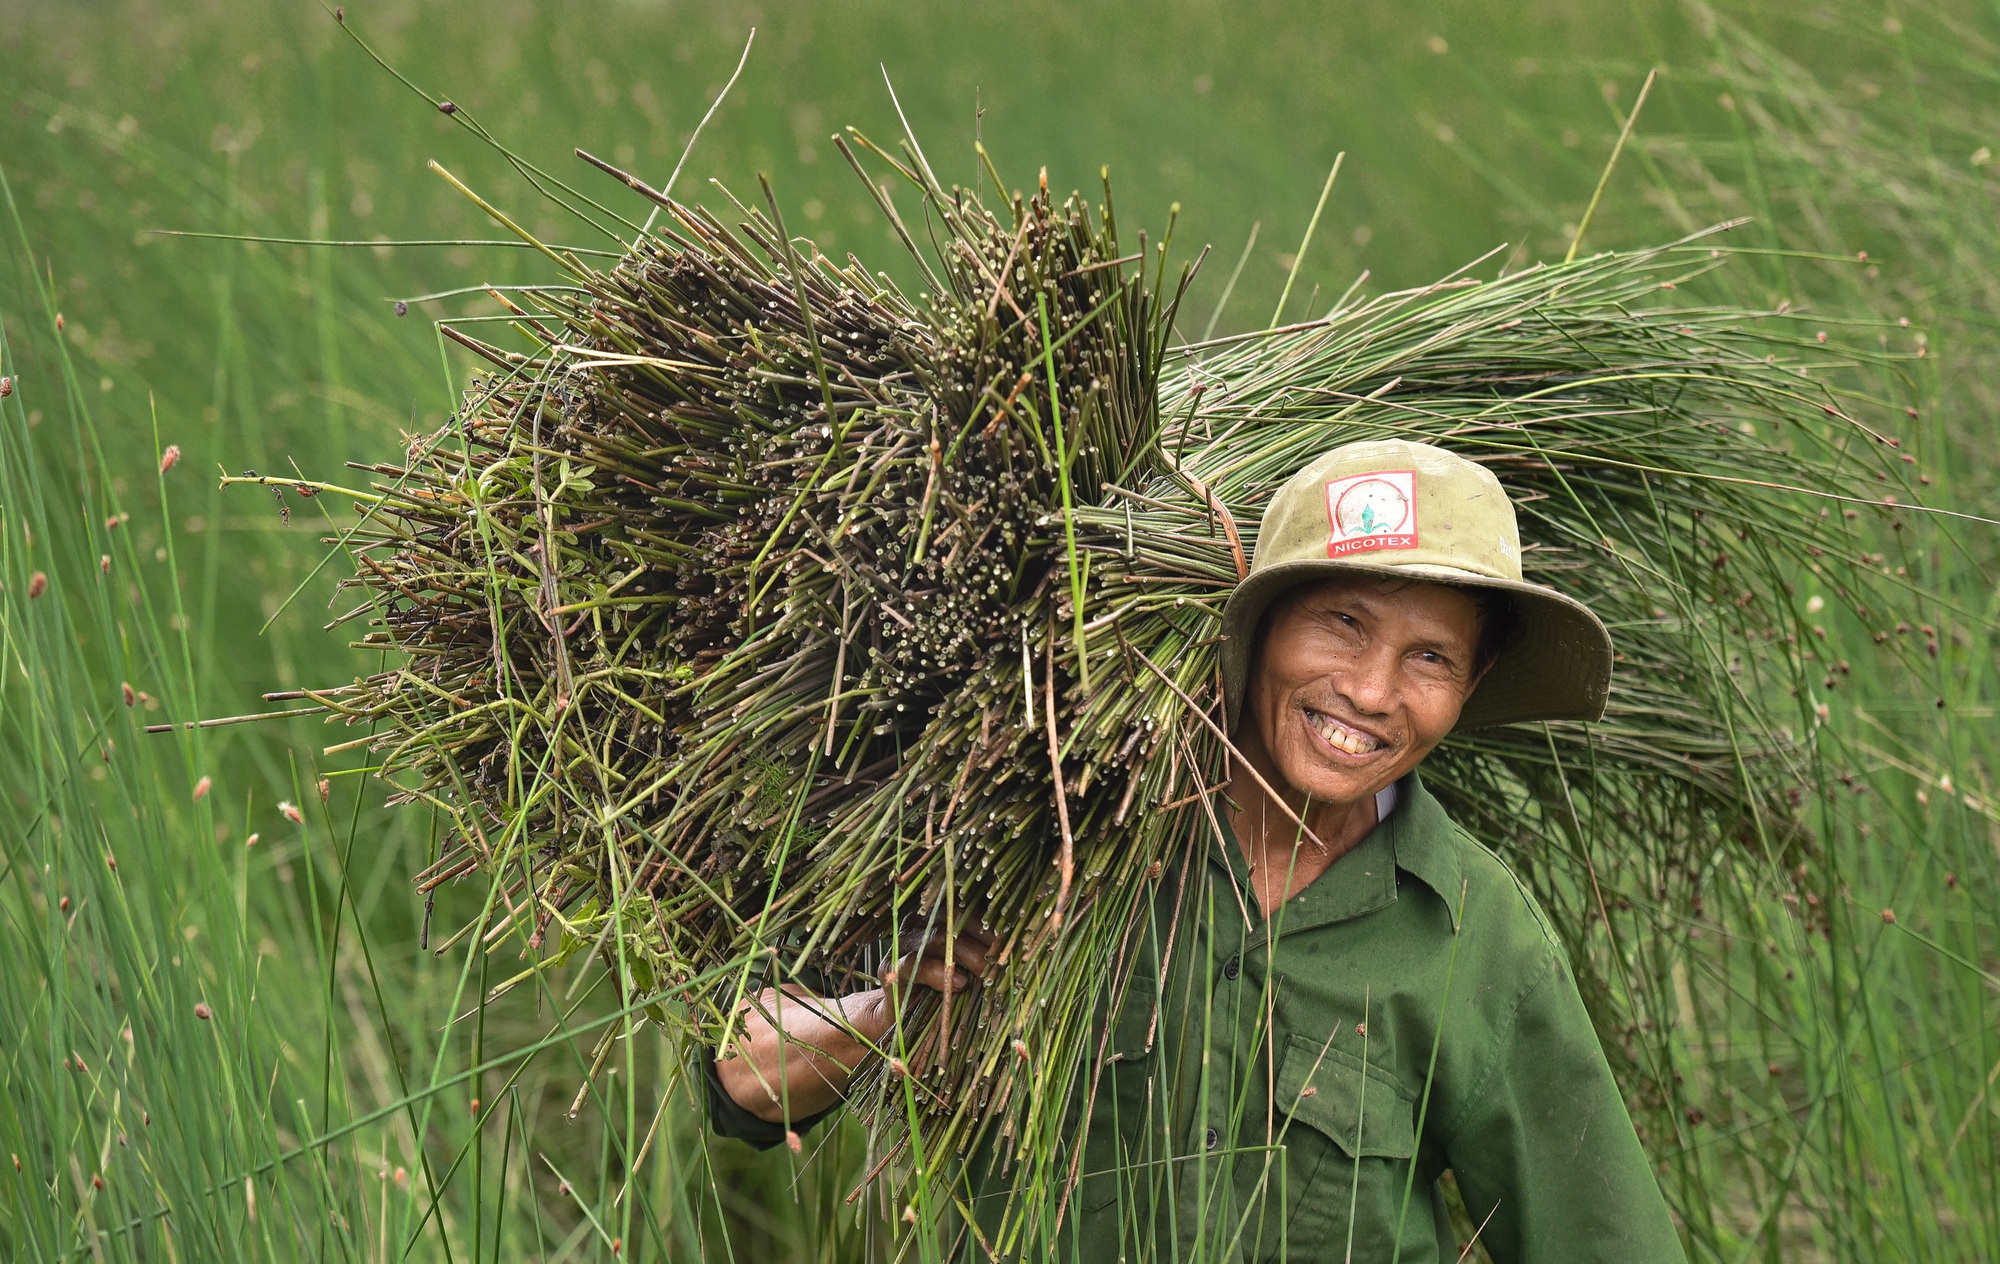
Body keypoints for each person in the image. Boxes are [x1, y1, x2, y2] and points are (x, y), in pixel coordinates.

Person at [706, 438, 1687, 1263]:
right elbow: (742, 1083)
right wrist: (896, 1012)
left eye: (1428, 657)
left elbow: (1598, 1235)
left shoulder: (1476, 931)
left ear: (1467, 689)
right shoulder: (1050, 831)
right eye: (1342, 624)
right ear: (1257, 629)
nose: (1373, 690)